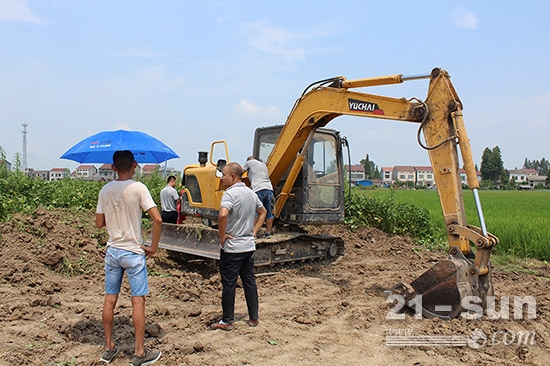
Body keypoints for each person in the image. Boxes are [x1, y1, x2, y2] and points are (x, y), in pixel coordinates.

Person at [95, 150, 163, 366]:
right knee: (138, 301)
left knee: (110, 298)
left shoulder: (105, 190)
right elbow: (158, 219)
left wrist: (114, 219)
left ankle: (108, 348)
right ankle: (139, 352)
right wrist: (152, 247)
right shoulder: (139, 188)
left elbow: (99, 223)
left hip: (113, 251)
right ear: (134, 164)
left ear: (113, 167)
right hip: (134, 252)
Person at [211, 162, 267, 331]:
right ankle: (253, 317)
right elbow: (263, 212)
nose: (221, 178)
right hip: (248, 246)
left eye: (224, 175)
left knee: (229, 284)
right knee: (250, 281)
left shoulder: (230, 194)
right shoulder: (251, 193)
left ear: (233, 177)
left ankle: (227, 320)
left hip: (233, 247)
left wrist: (222, 235)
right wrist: (254, 231)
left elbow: (222, 214)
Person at [243, 156, 274, 237]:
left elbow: (240, 172)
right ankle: (268, 233)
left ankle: (253, 233)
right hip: (269, 189)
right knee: (268, 212)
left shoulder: (249, 162)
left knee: (256, 212)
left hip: (258, 189)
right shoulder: (263, 165)